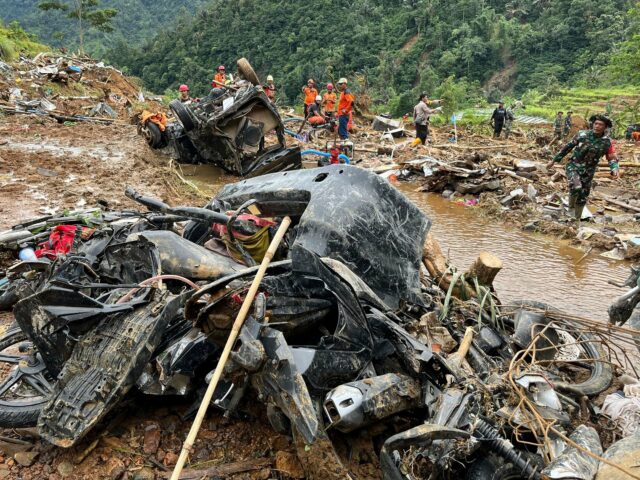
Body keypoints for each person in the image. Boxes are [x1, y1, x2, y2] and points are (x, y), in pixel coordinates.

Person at [547, 114, 620, 221]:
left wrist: (614, 168)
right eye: (596, 124)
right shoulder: (582, 135)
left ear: (605, 127)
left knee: (583, 196)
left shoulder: (607, 142)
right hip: (574, 166)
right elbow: (567, 148)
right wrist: (553, 161)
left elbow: (612, 157)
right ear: (592, 124)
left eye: (600, 125)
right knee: (576, 186)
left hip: (589, 171)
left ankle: (576, 221)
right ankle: (570, 208)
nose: (597, 126)